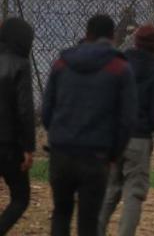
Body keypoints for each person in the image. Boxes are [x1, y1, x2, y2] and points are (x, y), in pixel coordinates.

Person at [42, 14, 137, 236]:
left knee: (61, 213)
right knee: (89, 220)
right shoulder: (120, 67)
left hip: (61, 151)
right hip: (96, 155)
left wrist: (57, 136)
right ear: (113, 37)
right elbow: (127, 119)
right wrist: (114, 153)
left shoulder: (61, 63)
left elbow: (47, 111)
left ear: (86, 34)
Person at [98, 24, 154, 236]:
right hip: (138, 139)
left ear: (135, 41)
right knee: (134, 192)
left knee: (110, 189)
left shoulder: (118, 64)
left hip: (114, 137)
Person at [0, 18, 35, 235]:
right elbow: (25, 110)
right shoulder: (20, 65)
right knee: (21, 197)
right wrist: (28, 147)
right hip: (8, 144)